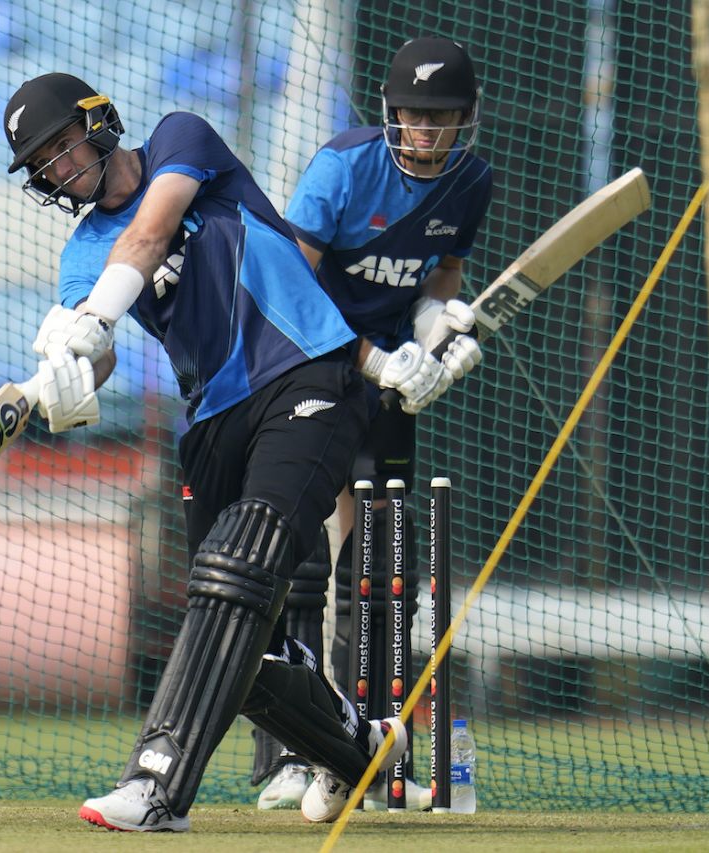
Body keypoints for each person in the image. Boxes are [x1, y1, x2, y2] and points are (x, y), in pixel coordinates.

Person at [2, 72, 449, 831]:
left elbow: (148, 236)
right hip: (211, 422)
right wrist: (70, 377)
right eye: (42, 164)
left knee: (239, 564)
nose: (57, 168)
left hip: (306, 374)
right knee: (241, 646)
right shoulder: (82, 253)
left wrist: (95, 320)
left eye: (60, 146)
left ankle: (157, 784)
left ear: (98, 122)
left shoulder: (181, 139)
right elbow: (94, 348)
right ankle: (362, 750)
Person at [249, 35, 493, 811]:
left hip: (385, 386)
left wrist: (433, 330)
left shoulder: (470, 182)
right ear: (392, 114)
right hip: (306, 370)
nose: (426, 130)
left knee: (377, 571)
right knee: (297, 563)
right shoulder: (342, 169)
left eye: (442, 116)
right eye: (415, 115)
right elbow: (289, 290)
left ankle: (359, 746)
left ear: (464, 120)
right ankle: (287, 754)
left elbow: (442, 272)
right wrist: (375, 359)